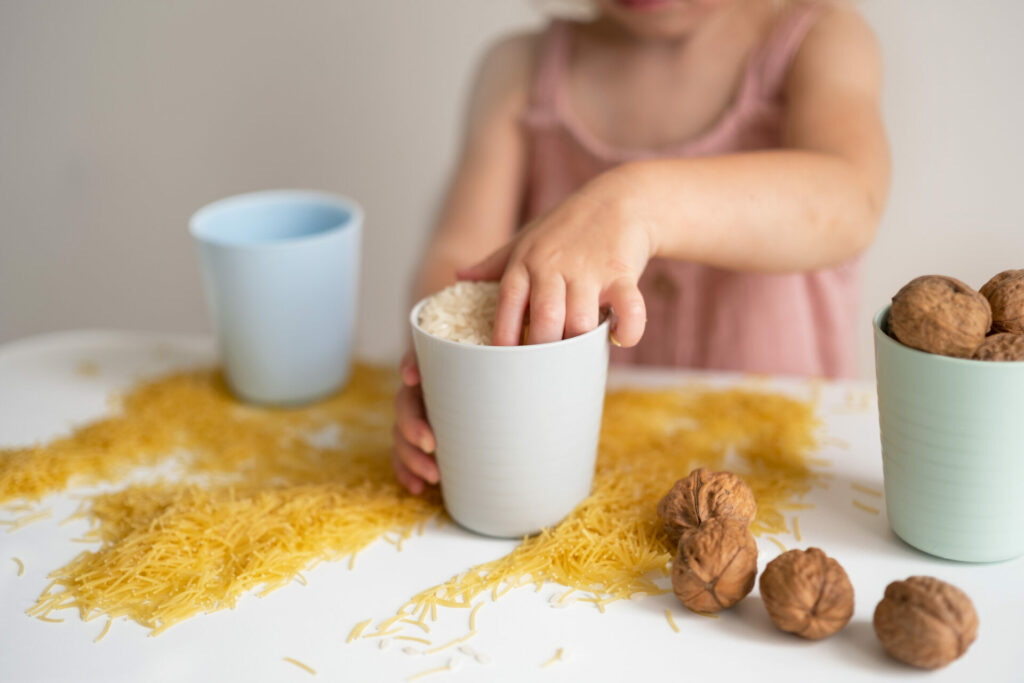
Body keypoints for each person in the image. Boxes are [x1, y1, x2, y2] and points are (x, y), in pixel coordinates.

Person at [392, 0, 890, 494]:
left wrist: (638, 203)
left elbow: (852, 200)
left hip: (785, 476)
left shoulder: (819, 40)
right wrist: (444, 377)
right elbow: (460, 260)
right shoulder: (520, 69)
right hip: (579, 478)